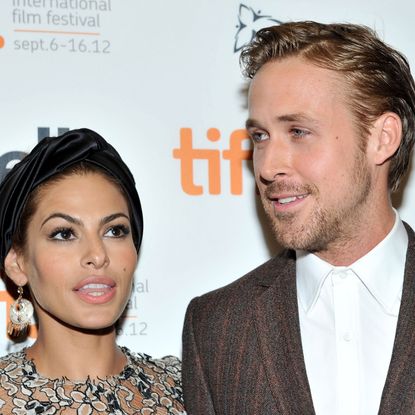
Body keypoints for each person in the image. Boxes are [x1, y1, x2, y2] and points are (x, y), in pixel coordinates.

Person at [182, 21, 415, 415]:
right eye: (260, 137)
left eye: (298, 131)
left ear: (382, 138)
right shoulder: (217, 327)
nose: (268, 166)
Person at [0, 129, 185, 414]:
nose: (98, 255)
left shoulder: (184, 388)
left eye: (114, 230)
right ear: (17, 263)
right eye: (64, 234)